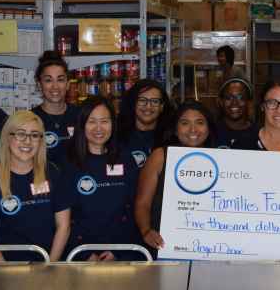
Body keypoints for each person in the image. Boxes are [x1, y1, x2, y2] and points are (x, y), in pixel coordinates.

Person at [0, 110, 71, 262]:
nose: (27, 141)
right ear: (7, 137)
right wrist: (4, 270)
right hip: (5, 267)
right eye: (20, 134)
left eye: (34, 135)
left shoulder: (53, 173)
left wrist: (50, 266)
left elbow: (63, 226)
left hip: (47, 264)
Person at [63, 96, 143, 261]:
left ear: (113, 124)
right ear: (82, 125)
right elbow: (63, 217)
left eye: (104, 121)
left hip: (122, 252)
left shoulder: (125, 159)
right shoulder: (68, 162)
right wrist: (84, 253)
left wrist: (117, 251)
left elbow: (135, 209)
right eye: (91, 121)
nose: (98, 128)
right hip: (79, 254)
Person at [135, 101, 216, 255]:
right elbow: (142, 202)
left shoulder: (222, 160)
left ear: (209, 128)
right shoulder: (160, 156)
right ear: (175, 129)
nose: (193, 129)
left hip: (209, 247)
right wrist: (146, 230)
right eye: (185, 123)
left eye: (200, 122)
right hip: (164, 245)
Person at [32, 50, 79, 168]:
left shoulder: (80, 116)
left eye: (60, 79)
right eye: (48, 80)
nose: (55, 86)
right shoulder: (30, 119)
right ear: (39, 85)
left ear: (68, 84)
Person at [118, 79, 173, 169]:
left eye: (155, 101)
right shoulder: (118, 137)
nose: (148, 106)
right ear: (133, 103)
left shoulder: (171, 139)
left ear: (162, 106)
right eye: (142, 100)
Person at [213, 77, 258, 149]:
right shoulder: (210, 132)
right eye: (228, 98)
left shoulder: (259, 134)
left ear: (249, 102)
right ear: (220, 102)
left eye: (240, 98)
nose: (234, 103)